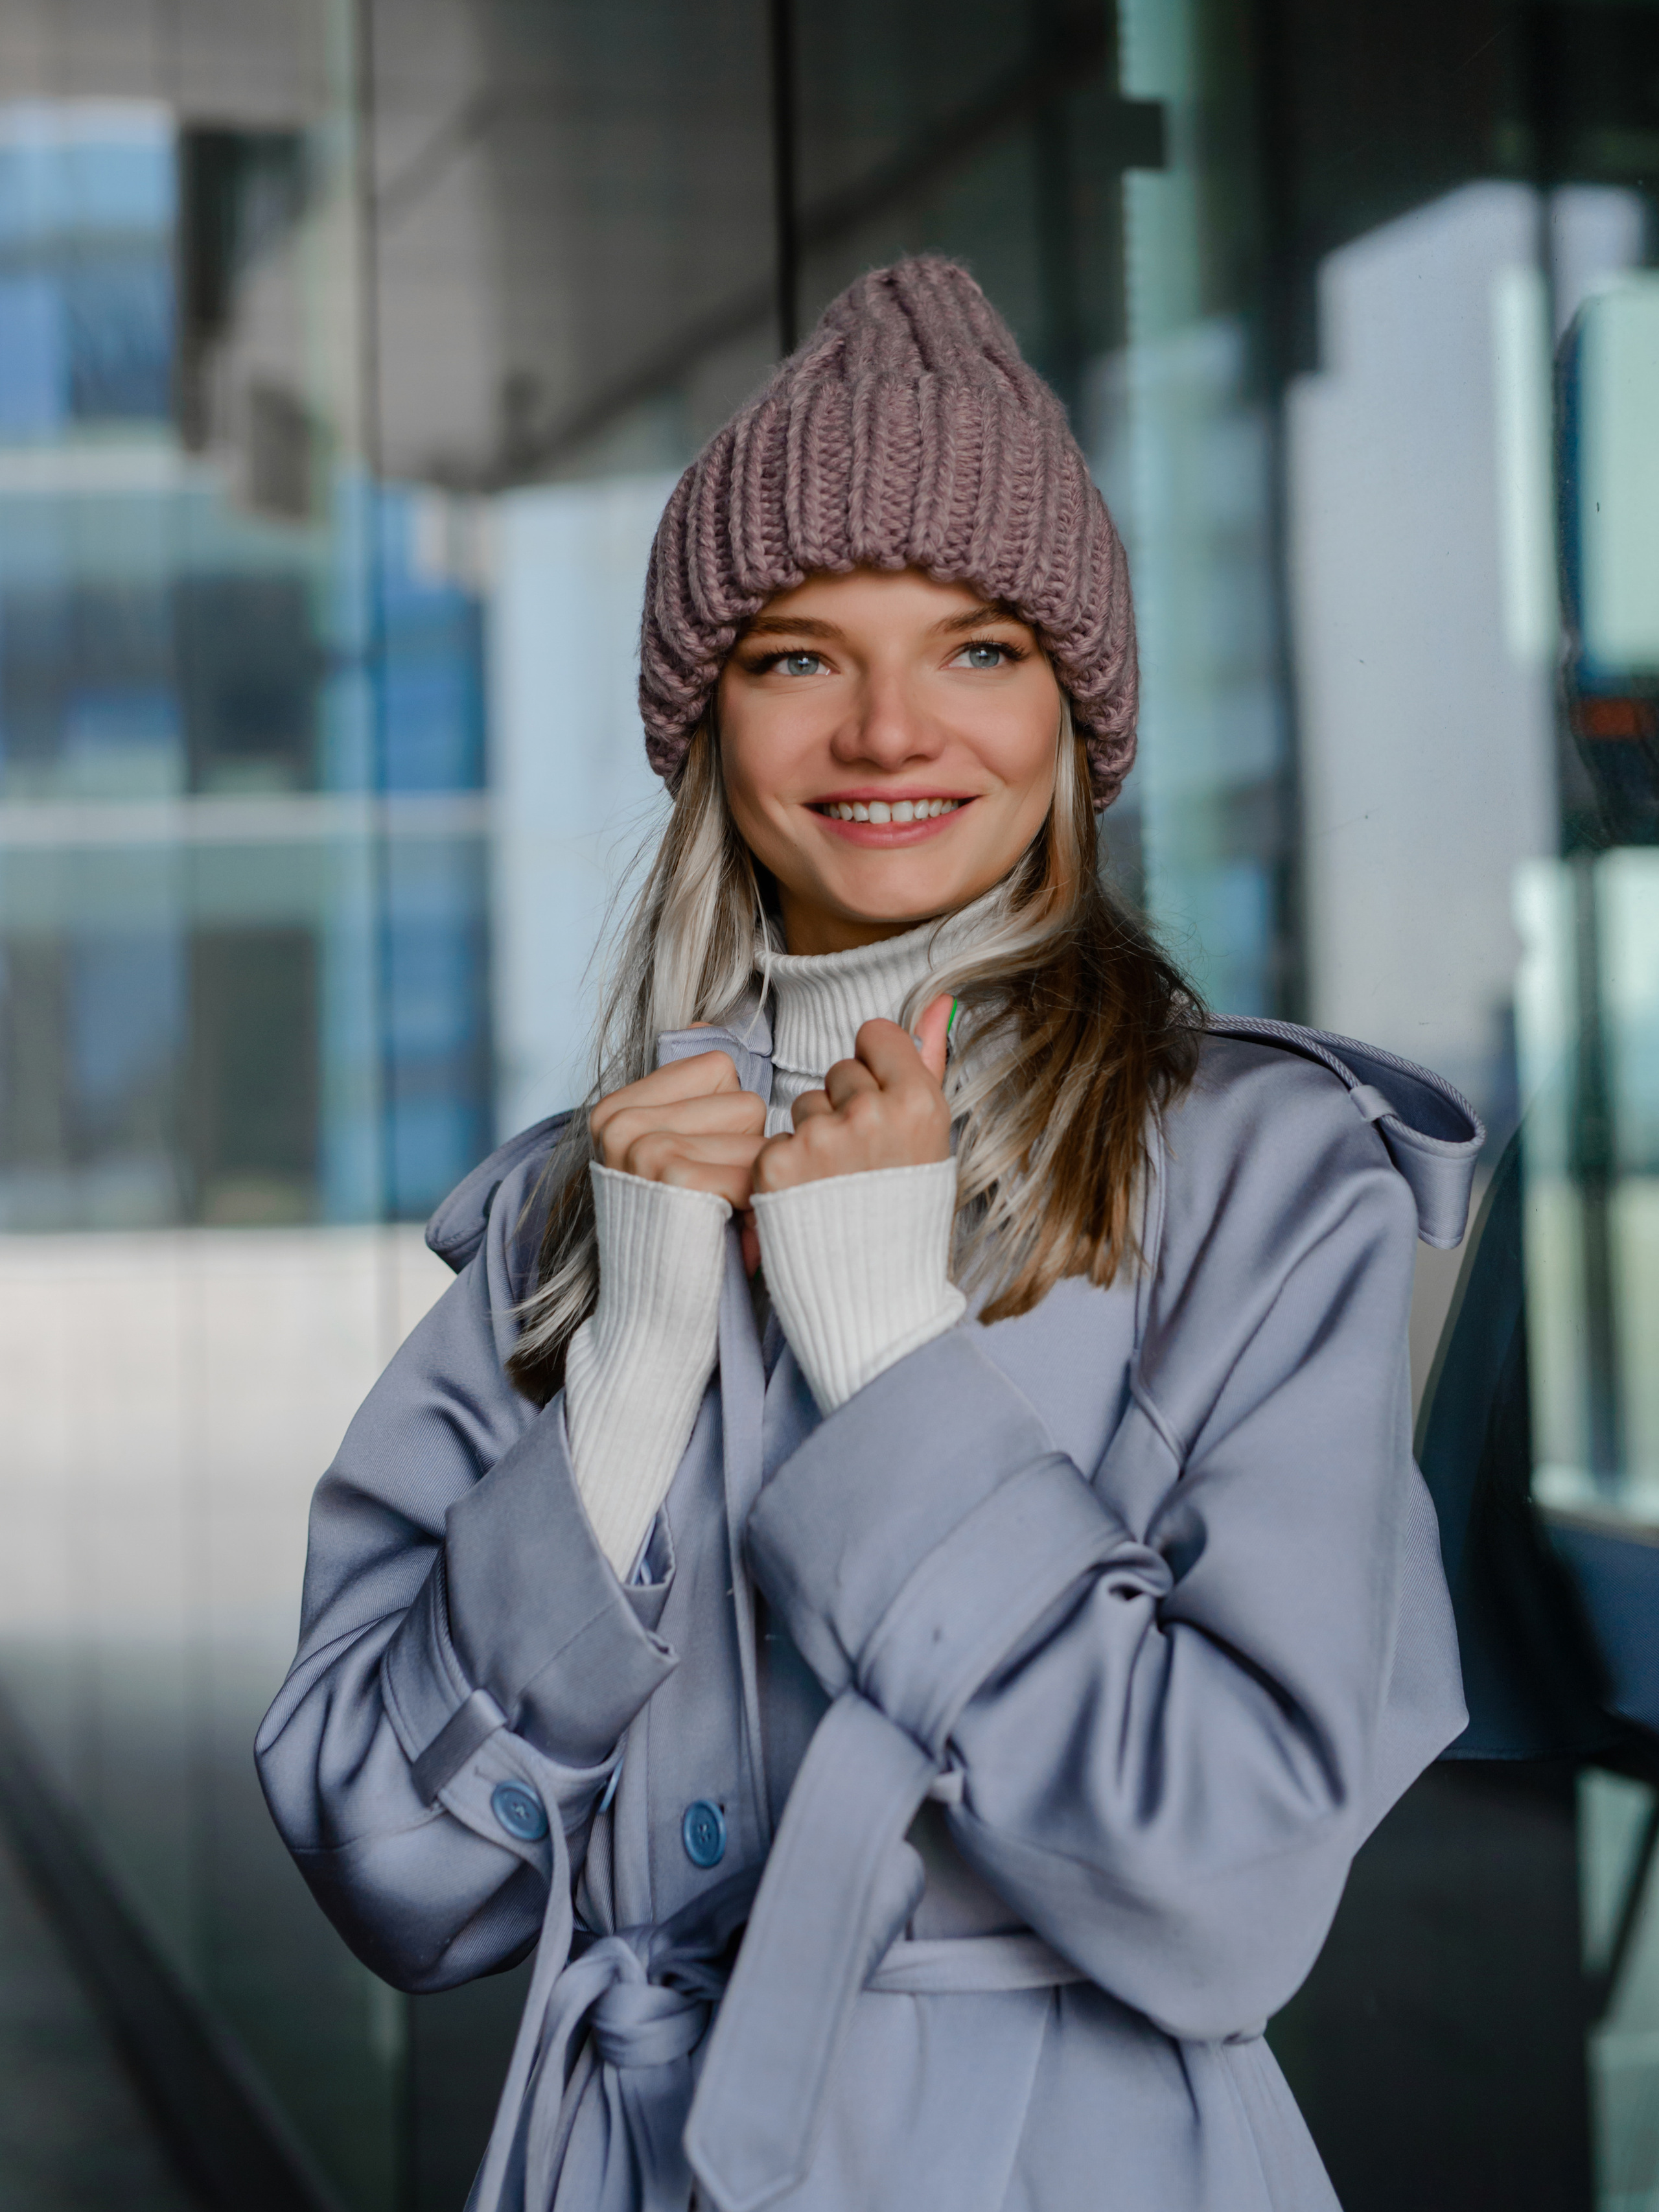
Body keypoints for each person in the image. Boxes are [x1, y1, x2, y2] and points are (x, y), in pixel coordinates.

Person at [257, 257, 1483, 2212]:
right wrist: (626, 1387)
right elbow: (396, 1880)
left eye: (979, 648)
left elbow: (1235, 1893)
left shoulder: (1265, 1176)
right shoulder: (587, 1203)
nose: (892, 732)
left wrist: (891, 1360)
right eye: (800, 657)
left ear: (1074, 710)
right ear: (707, 718)